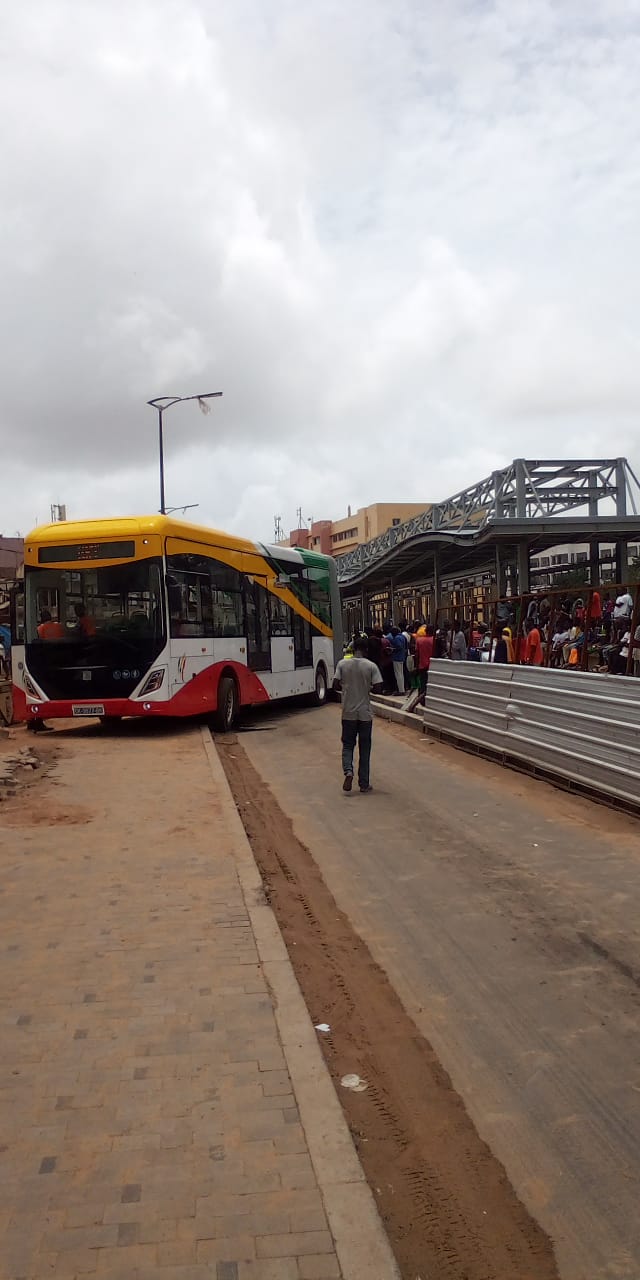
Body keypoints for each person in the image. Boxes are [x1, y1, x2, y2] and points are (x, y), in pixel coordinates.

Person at [332, 637, 383, 793]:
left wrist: (347, 687)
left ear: (353, 648)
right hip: (365, 714)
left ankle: (348, 771)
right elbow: (378, 688)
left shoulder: (342, 664)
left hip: (348, 712)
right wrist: (366, 687)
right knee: (365, 748)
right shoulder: (371, 666)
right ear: (366, 650)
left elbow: (335, 685)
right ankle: (364, 783)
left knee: (348, 745)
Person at [386, 625, 407, 694]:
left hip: (397, 658)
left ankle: (401, 690)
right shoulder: (402, 637)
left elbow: (399, 646)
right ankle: (402, 689)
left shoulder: (397, 638)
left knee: (398, 674)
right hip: (402, 657)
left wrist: (392, 649)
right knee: (401, 674)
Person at [415, 623, 434, 696]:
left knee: (423, 682)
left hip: (422, 665)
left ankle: (422, 697)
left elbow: (417, 655)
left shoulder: (419, 640)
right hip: (433, 666)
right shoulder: (435, 640)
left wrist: (416, 666)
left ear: (425, 631)